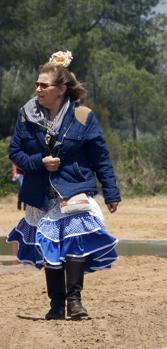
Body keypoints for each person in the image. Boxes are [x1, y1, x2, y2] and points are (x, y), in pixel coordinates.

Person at [6, 51, 121, 320]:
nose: (38, 89)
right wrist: (39, 162)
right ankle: (56, 304)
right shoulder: (26, 115)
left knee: (75, 244)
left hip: (74, 187)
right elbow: (15, 152)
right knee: (51, 248)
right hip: (39, 193)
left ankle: (75, 301)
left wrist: (111, 191)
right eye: (37, 84)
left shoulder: (82, 116)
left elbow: (100, 157)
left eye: (43, 85)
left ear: (60, 90)